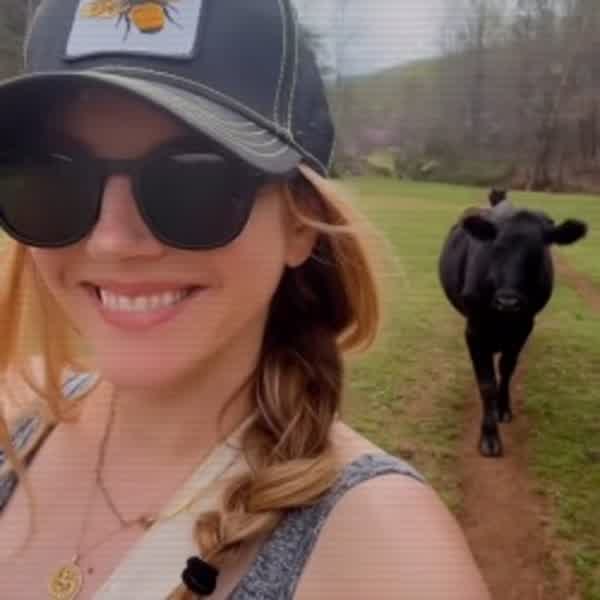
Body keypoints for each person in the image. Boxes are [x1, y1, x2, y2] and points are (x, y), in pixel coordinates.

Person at [0, 0, 491, 598]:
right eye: (52, 177)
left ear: (300, 222)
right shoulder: (12, 411)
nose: (112, 240)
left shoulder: (390, 560)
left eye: (195, 182)